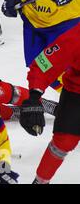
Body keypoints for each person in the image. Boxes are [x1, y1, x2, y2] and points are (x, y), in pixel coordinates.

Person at [19, 21, 80, 184]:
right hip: (77, 93)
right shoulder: (75, 37)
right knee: (64, 142)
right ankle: (40, 181)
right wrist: (34, 96)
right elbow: (42, 65)